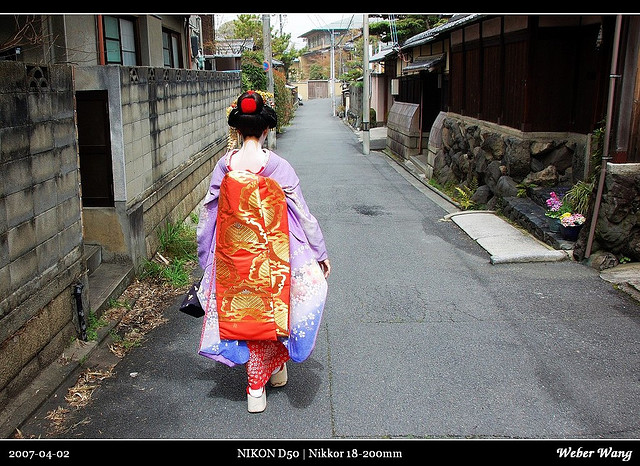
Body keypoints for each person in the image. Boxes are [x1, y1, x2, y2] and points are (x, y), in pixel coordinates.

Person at [195, 90, 330, 413]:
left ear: (237, 130)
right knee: (282, 309)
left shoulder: (225, 166)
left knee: (245, 314)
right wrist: (320, 252)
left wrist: (207, 257)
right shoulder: (278, 166)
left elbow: (208, 214)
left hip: (235, 255)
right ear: (266, 129)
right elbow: (303, 213)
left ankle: (266, 381)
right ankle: (259, 383)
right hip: (279, 254)